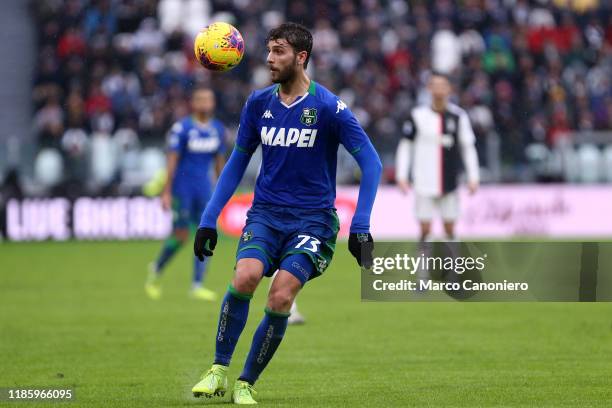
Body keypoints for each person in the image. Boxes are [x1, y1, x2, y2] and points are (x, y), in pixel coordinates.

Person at [191, 22, 381, 404]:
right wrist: (208, 219)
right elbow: (235, 164)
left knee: (280, 297)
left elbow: (372, 163)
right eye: (269, 50)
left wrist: (360, 226)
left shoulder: (329, 106)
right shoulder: (258, 103)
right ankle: (218, 371)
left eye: (278, 51)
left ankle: (245, 382)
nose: (269, 59)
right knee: (245, 277)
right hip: (265, 214)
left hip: (313, 221)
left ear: (301, 57)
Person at [145, 87, 226, 301]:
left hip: (204, 190)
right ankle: (157, 268)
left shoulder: (217, 129)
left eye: (209, 99)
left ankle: (197, 284)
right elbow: (172, 161)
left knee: (206, 234)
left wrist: (223, 191)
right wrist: (166, 192)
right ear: (193, 103)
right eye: (201, 99)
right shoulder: (182, 128)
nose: (205, 103)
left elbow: (220, 165)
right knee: (181, 235)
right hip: (183, 189)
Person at [395, 72, 479, 242]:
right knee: (425, 229)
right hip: (423, 181)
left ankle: (450, 266)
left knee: (450, 228)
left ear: (450, 89)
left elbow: (468, 148)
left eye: (443, 85)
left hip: (450, 181)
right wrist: (401, 175)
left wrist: (473, 176)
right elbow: (405, 147)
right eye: (435, 85)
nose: (439, 89)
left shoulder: (458, 116)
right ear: (429, 88)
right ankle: (425, 267)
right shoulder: (417, 116)